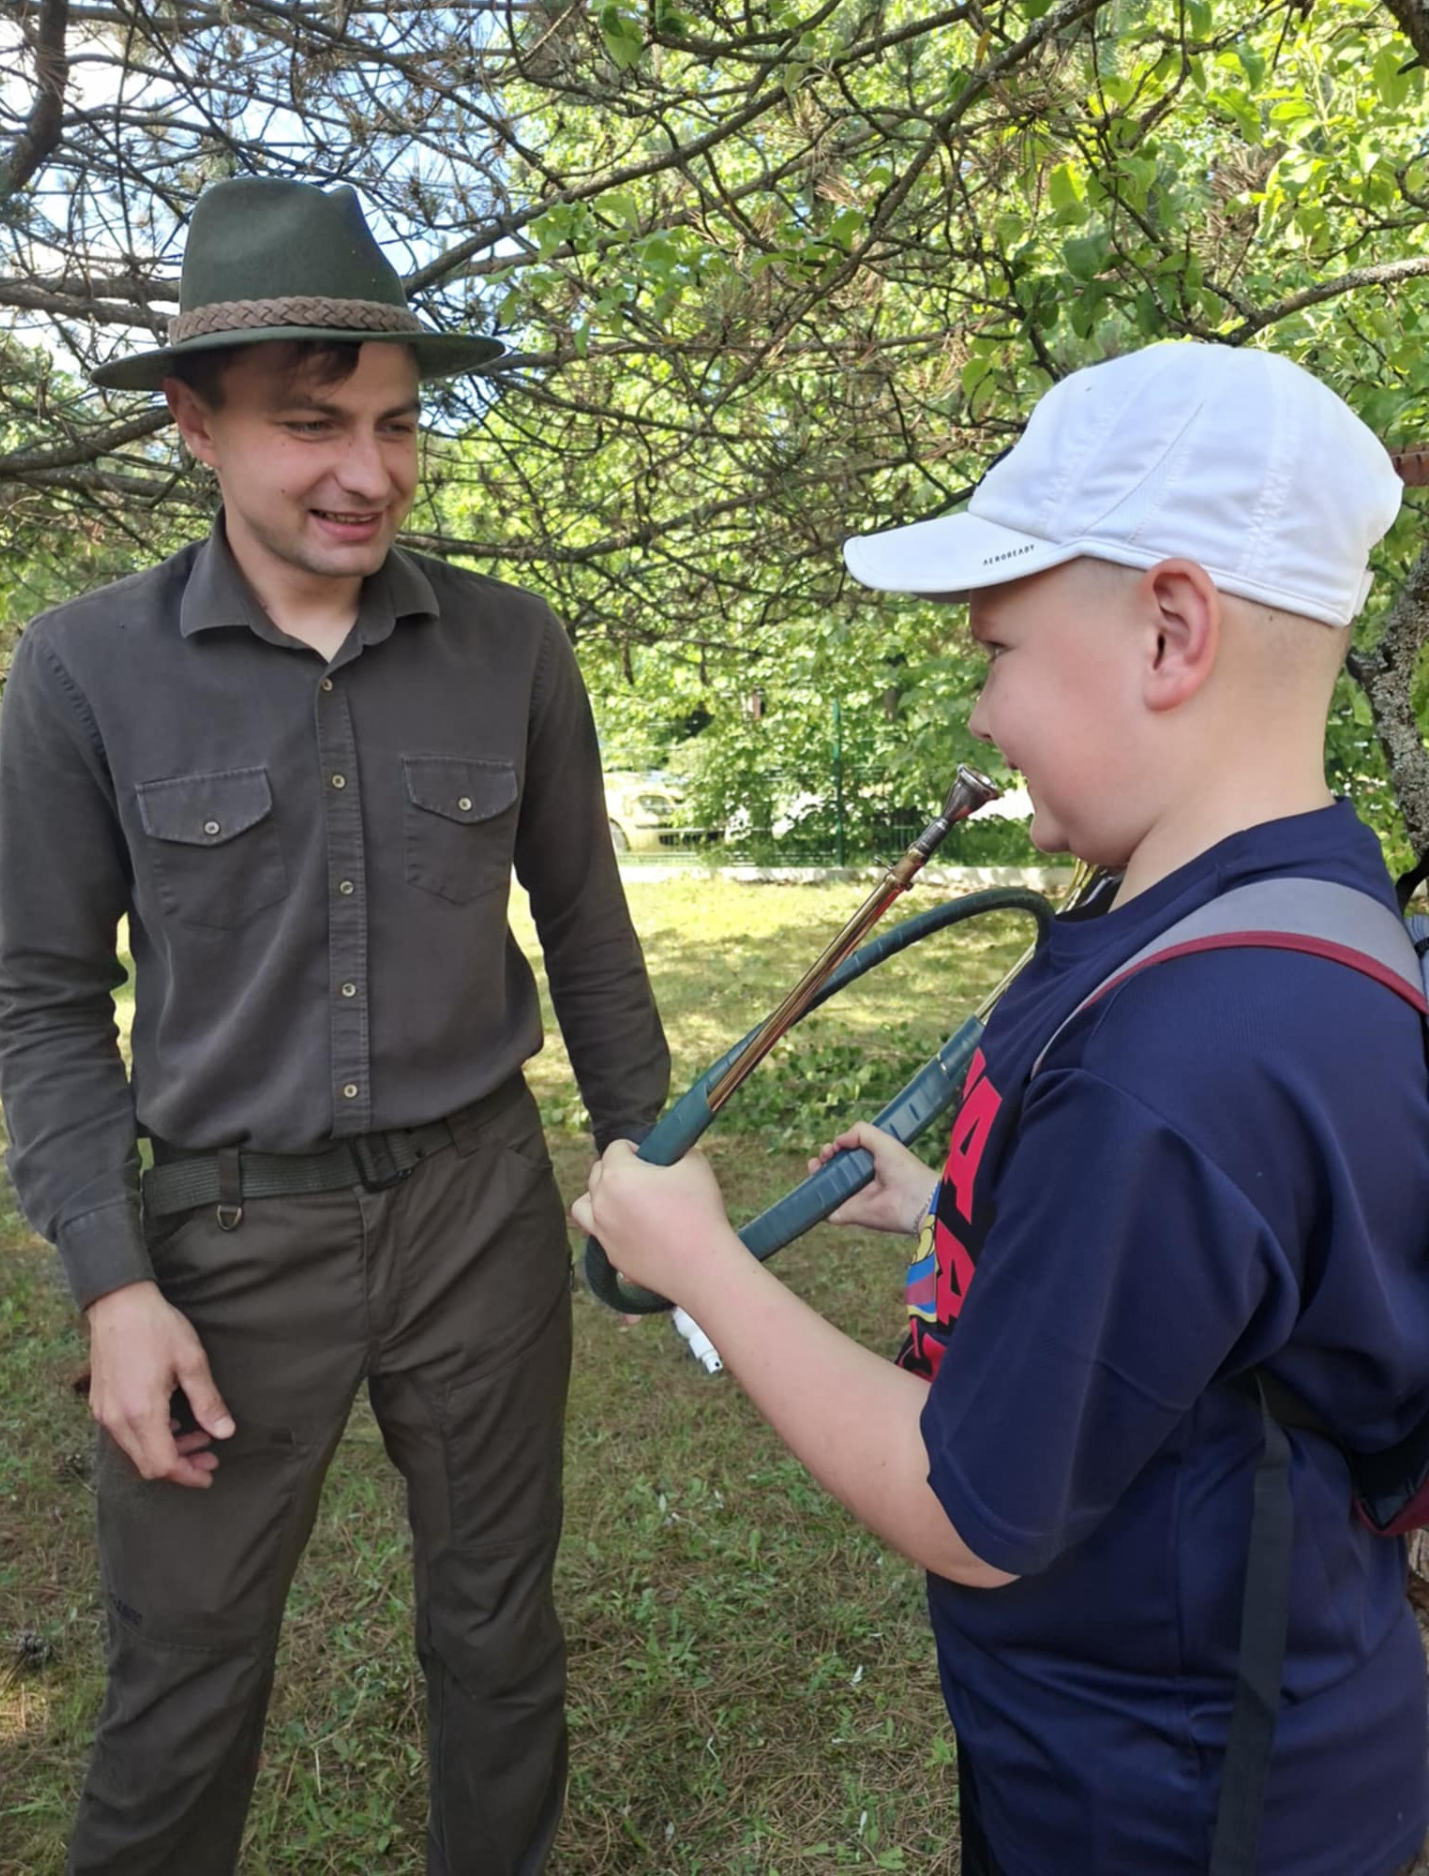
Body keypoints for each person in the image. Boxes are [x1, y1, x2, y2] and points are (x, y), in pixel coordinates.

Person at [572, 341, 1429, 1875]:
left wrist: (698, 1261)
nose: (981, 709)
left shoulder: (1185, 1054)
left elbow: (967, 1508)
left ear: (1171, 631)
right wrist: (962, 1203)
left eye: (1001, 649)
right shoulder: (1280, 905)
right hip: (1157, 1732)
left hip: (1170, 1807)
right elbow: (1212, 1273)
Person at [0, 176, 670, 1876]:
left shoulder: (512, 647)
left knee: (499, 1632)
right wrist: (115, 1286)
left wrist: (650, 1151)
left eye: (397, 422)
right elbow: (43, 1001)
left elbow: (586, 923)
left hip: (478, 1213)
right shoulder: (80, 673)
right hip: (221, 1241)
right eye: (312, 424)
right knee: (182, 1675)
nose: (370, 470)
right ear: (195, 423)